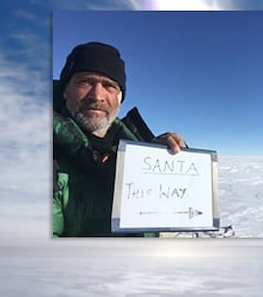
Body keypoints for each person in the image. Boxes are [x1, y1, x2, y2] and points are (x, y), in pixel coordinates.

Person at [53, 41, 187, 237]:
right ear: (65, 90)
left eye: (109, 86)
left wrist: (164, 158)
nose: (97, 95)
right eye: (85, 82)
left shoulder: (136, 150)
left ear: (120, 98)